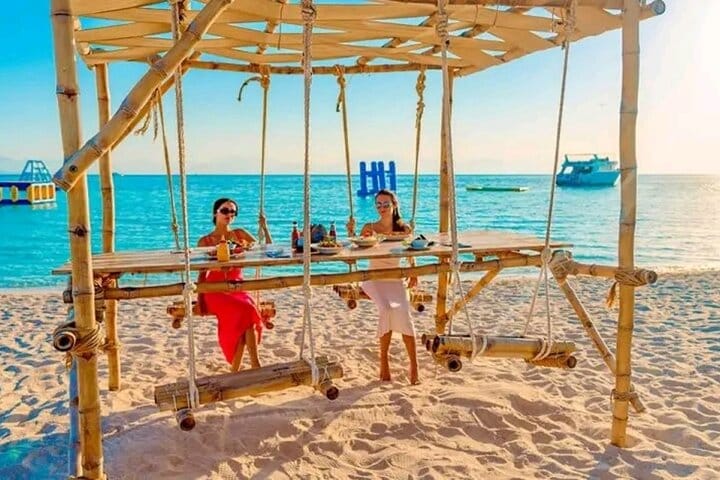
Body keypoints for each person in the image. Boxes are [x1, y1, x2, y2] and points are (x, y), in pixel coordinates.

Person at [197, 197, 272, 371]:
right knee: (246, 311)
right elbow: (201, 272)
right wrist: (200, 298)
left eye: (233, 212)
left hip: (238, 287)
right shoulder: (205, 241)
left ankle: (239, 369)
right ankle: (254, 365)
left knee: (247, 312)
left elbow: (268, 250)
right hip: (215, 290)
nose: (229, 214)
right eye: (225, 211)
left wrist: (264, 227)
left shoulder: (239, 235)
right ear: (215, 213)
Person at [359, 189, 419, 385]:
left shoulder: (404, 229)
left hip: (395, 278)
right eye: (379, 204)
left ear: (394, 205)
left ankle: (414, 367)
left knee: (403, 313)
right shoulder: (369, 227)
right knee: (386, 309)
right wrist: (356, 234)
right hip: (374, 278)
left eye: (386, 204)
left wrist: (414, 272)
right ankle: (384, 362)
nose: (382, 208)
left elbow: (411, 252)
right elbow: (357, 249)